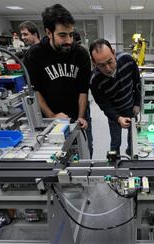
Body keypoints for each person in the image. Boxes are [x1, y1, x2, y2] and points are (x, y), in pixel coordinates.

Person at [23, 4, 93, 154]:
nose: (69, 40)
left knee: (85, 153)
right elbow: (36, 91)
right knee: (54, 156)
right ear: (49, 32)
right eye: (62, 35)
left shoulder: (80, 54)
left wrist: (80, 117)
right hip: (49, 118)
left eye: (71, 34)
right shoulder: (34, 55)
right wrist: (53, 116)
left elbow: (83, 90)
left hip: (78, 115)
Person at [89, 39, 141, 156]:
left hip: (131, 107)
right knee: (115, 141)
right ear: (94, 62)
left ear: (113, 52)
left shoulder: (127, 60)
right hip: (114, 113)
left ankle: (130, 152)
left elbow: (137, 83)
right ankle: (115, 159)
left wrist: (137, 103)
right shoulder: (94, 81)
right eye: (101, 65)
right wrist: (117, 118)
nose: (108, 68)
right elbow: (104, 106)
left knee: (133, 137)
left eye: (110, 62)